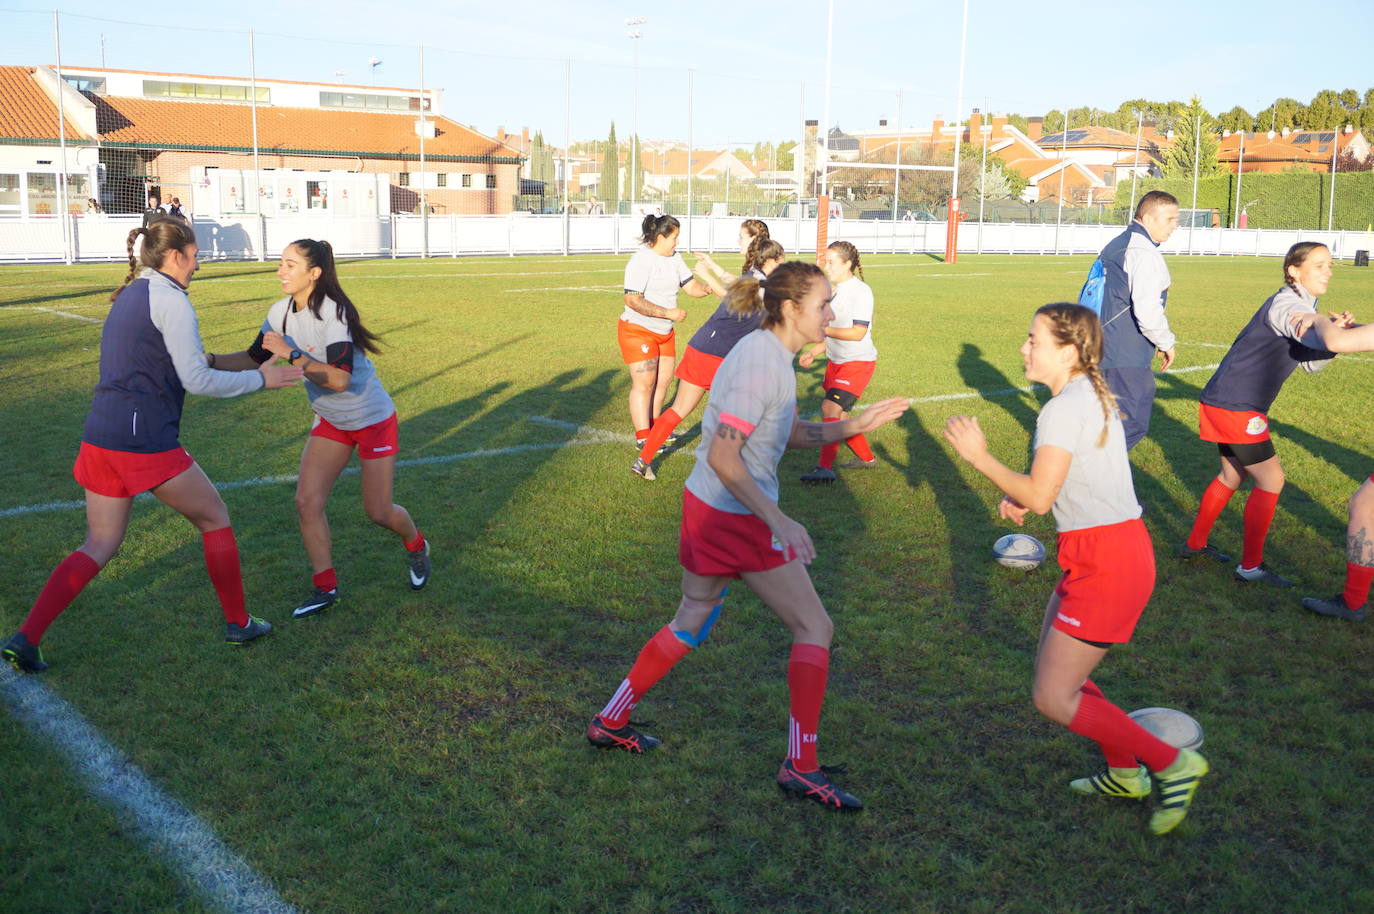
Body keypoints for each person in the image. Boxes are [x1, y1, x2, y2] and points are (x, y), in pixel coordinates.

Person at [587, 261, 910, 810]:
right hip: (736, 517)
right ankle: (801, 766)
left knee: (691, 618)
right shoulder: (762, 364)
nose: (831, 313)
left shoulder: (769, 353)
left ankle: (610, 720)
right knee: (815, 626)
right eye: (823, 305)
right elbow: (724, 454)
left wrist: (853, 425)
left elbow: (785, 432)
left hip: (705, 505)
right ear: (790, 309)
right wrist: (778, 520)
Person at [943, 302, 1209, 835]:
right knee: (1063, 676)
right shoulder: (1085, 392)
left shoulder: (1062, 409)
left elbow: (1041, 496)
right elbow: (1067, 477)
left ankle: (1172, 763)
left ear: (1067, 352)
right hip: (1101, 553)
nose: (1024, 348)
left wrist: (979, 458)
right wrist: (1026, 492)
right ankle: (1124, 775)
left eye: (1034, 340)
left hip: (1110, 563)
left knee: (1052, 696)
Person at [1, 221, 302, 673]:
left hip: (101, 434)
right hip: (142, 440)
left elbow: (178, 363)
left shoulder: (133, 293)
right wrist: (262, 379)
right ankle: (239, 623)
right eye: (195, 256)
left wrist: (243, 360)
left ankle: (25, 638)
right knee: (215, 517)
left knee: (100, 541)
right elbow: (196, 380)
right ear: (175, 256)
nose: (198, 265)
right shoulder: (171, 300)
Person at [215, 239, 431, 618]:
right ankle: (325, 587)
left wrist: (292, 354)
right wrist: (206, 360)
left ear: (314, 273)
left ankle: (416, 545)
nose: (281, 271)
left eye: (290, 265)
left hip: (371, 419)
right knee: (306, 502)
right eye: (281, 263)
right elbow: (252, 357)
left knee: (379, 512)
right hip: (331, 420)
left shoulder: (335, 313)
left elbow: (340, 380)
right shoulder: (280, 312)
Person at [1180, 242, 1369, 587]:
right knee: (1271, 480)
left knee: (1232, 475)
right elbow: (1316, 336)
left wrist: (1333, 333)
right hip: (1236, 405)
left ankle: (1194, 544)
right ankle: (1250, 567)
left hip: (1228, 400)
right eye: (1319, 265)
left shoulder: (1303, 305)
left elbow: (1310, 363)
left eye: (1329, 265)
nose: (1328, 271)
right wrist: (1332, 333)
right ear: (1294, 271)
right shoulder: (1288, 305)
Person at [630, 221, 779, 480]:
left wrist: (711, 268)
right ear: (769, 261)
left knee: (680, 409)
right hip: (719, 354)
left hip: (703, 347)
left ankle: (643, 461)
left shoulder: (755, 279)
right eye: (781, 260)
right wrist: (708, 275)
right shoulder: (758, 282)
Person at [1094, 190, 1180, 450]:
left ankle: (1082, 470)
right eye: (1170, 219)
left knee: (1106, 424)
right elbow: (1147, 309)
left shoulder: (1118, 243)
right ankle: (1082, 472)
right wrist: (1165, 342)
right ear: (1149, 218)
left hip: (1104, 345)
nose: (1174, 226)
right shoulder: (1142, 252)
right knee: (1128, 424)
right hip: (1124, 352)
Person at [618, 214, 714, 446]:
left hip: (664, 333)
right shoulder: (641, 261)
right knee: (645, 383)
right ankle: (643, 437)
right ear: (661, 237)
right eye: (674, 237)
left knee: (663, 382)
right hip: (638, 330)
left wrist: (709, 287)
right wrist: (667, 313)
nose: (677, 242)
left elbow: (691, 287)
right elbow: (632, 300)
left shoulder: (675, 257)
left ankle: (656, 429)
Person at [797, 240, 880, 484]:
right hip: (835, 362)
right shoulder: (833, 291)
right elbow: (833, 331)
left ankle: (824, 468)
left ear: (847, 264)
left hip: (857, 363)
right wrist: (815, 352)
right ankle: (867, 459)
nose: (826, 266)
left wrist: (822, 329)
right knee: (840, 418)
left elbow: (857, 333)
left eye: (831, 262)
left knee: (830, 409)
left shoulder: (861, 291)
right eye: (825, 261)